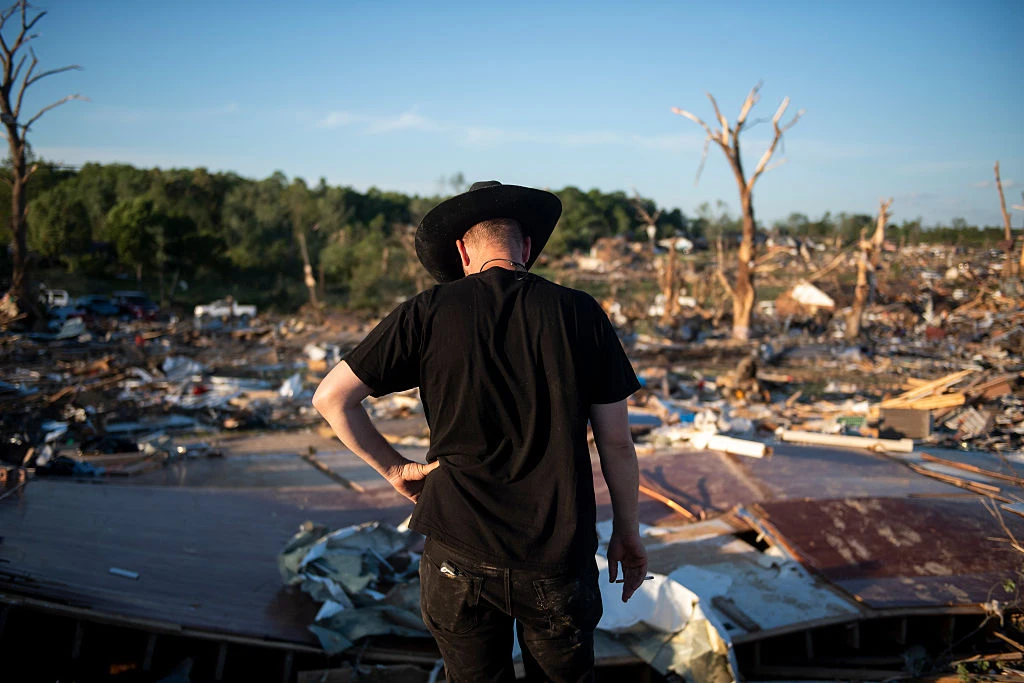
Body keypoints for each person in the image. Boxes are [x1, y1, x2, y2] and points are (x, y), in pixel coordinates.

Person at [312, 181, 648, 682]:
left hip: (457, 553)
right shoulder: (580, 313)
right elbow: (617, 443)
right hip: (556, 558)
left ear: (463, 251)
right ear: (526, 249)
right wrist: (627, 531)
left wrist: (395, 469)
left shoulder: (426, 312)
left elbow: (331, 398)